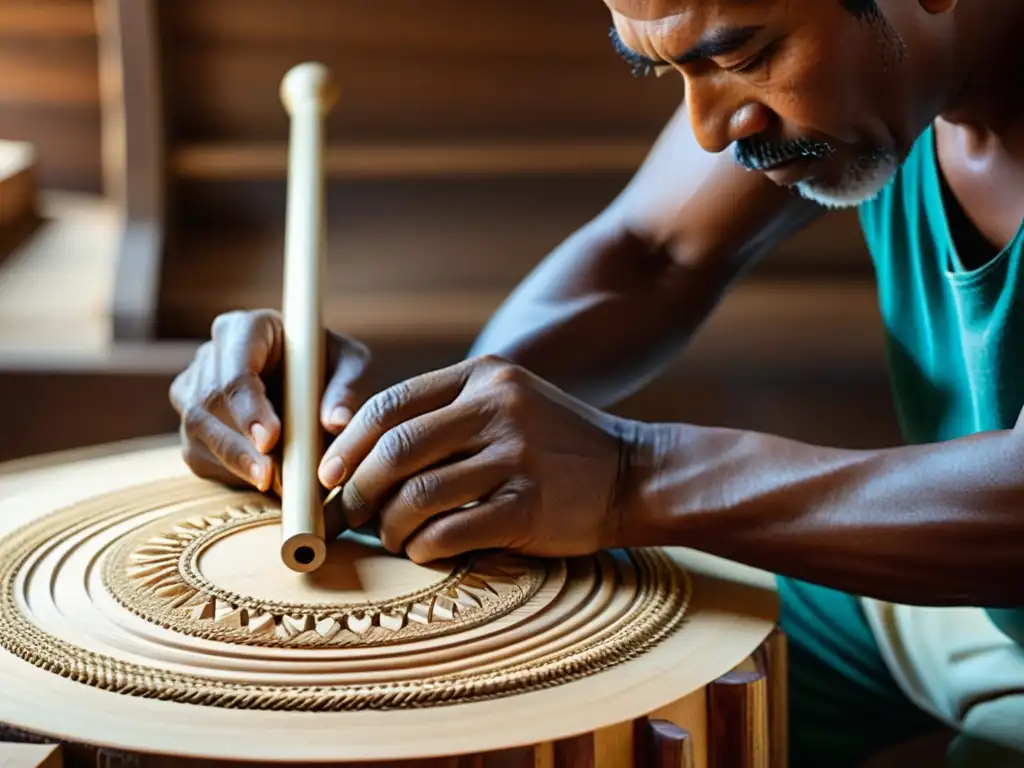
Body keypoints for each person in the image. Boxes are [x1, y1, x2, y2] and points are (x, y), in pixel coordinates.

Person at [169, 0, 1024, 764]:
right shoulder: (880, 79)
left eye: (741, 57)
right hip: (957, 602)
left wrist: (630, 475)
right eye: (669, 69)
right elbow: (650, 257)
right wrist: (423, 431)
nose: (708, 129)